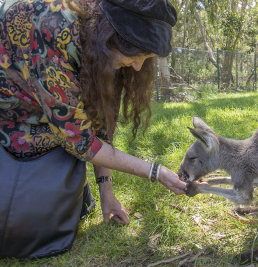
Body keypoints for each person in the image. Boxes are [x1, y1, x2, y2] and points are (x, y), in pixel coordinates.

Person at [0, 0, 187, 225]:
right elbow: (80, 140)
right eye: (136, 54)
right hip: (11, 116)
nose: (138, 66)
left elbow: (99, 126)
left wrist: (106, 193)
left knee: (75, 210)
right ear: (111, 38)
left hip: (46, 115)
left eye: (146, 59)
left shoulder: (101, 47)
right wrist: (157, 172)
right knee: (32, 225)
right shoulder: (51, 27)